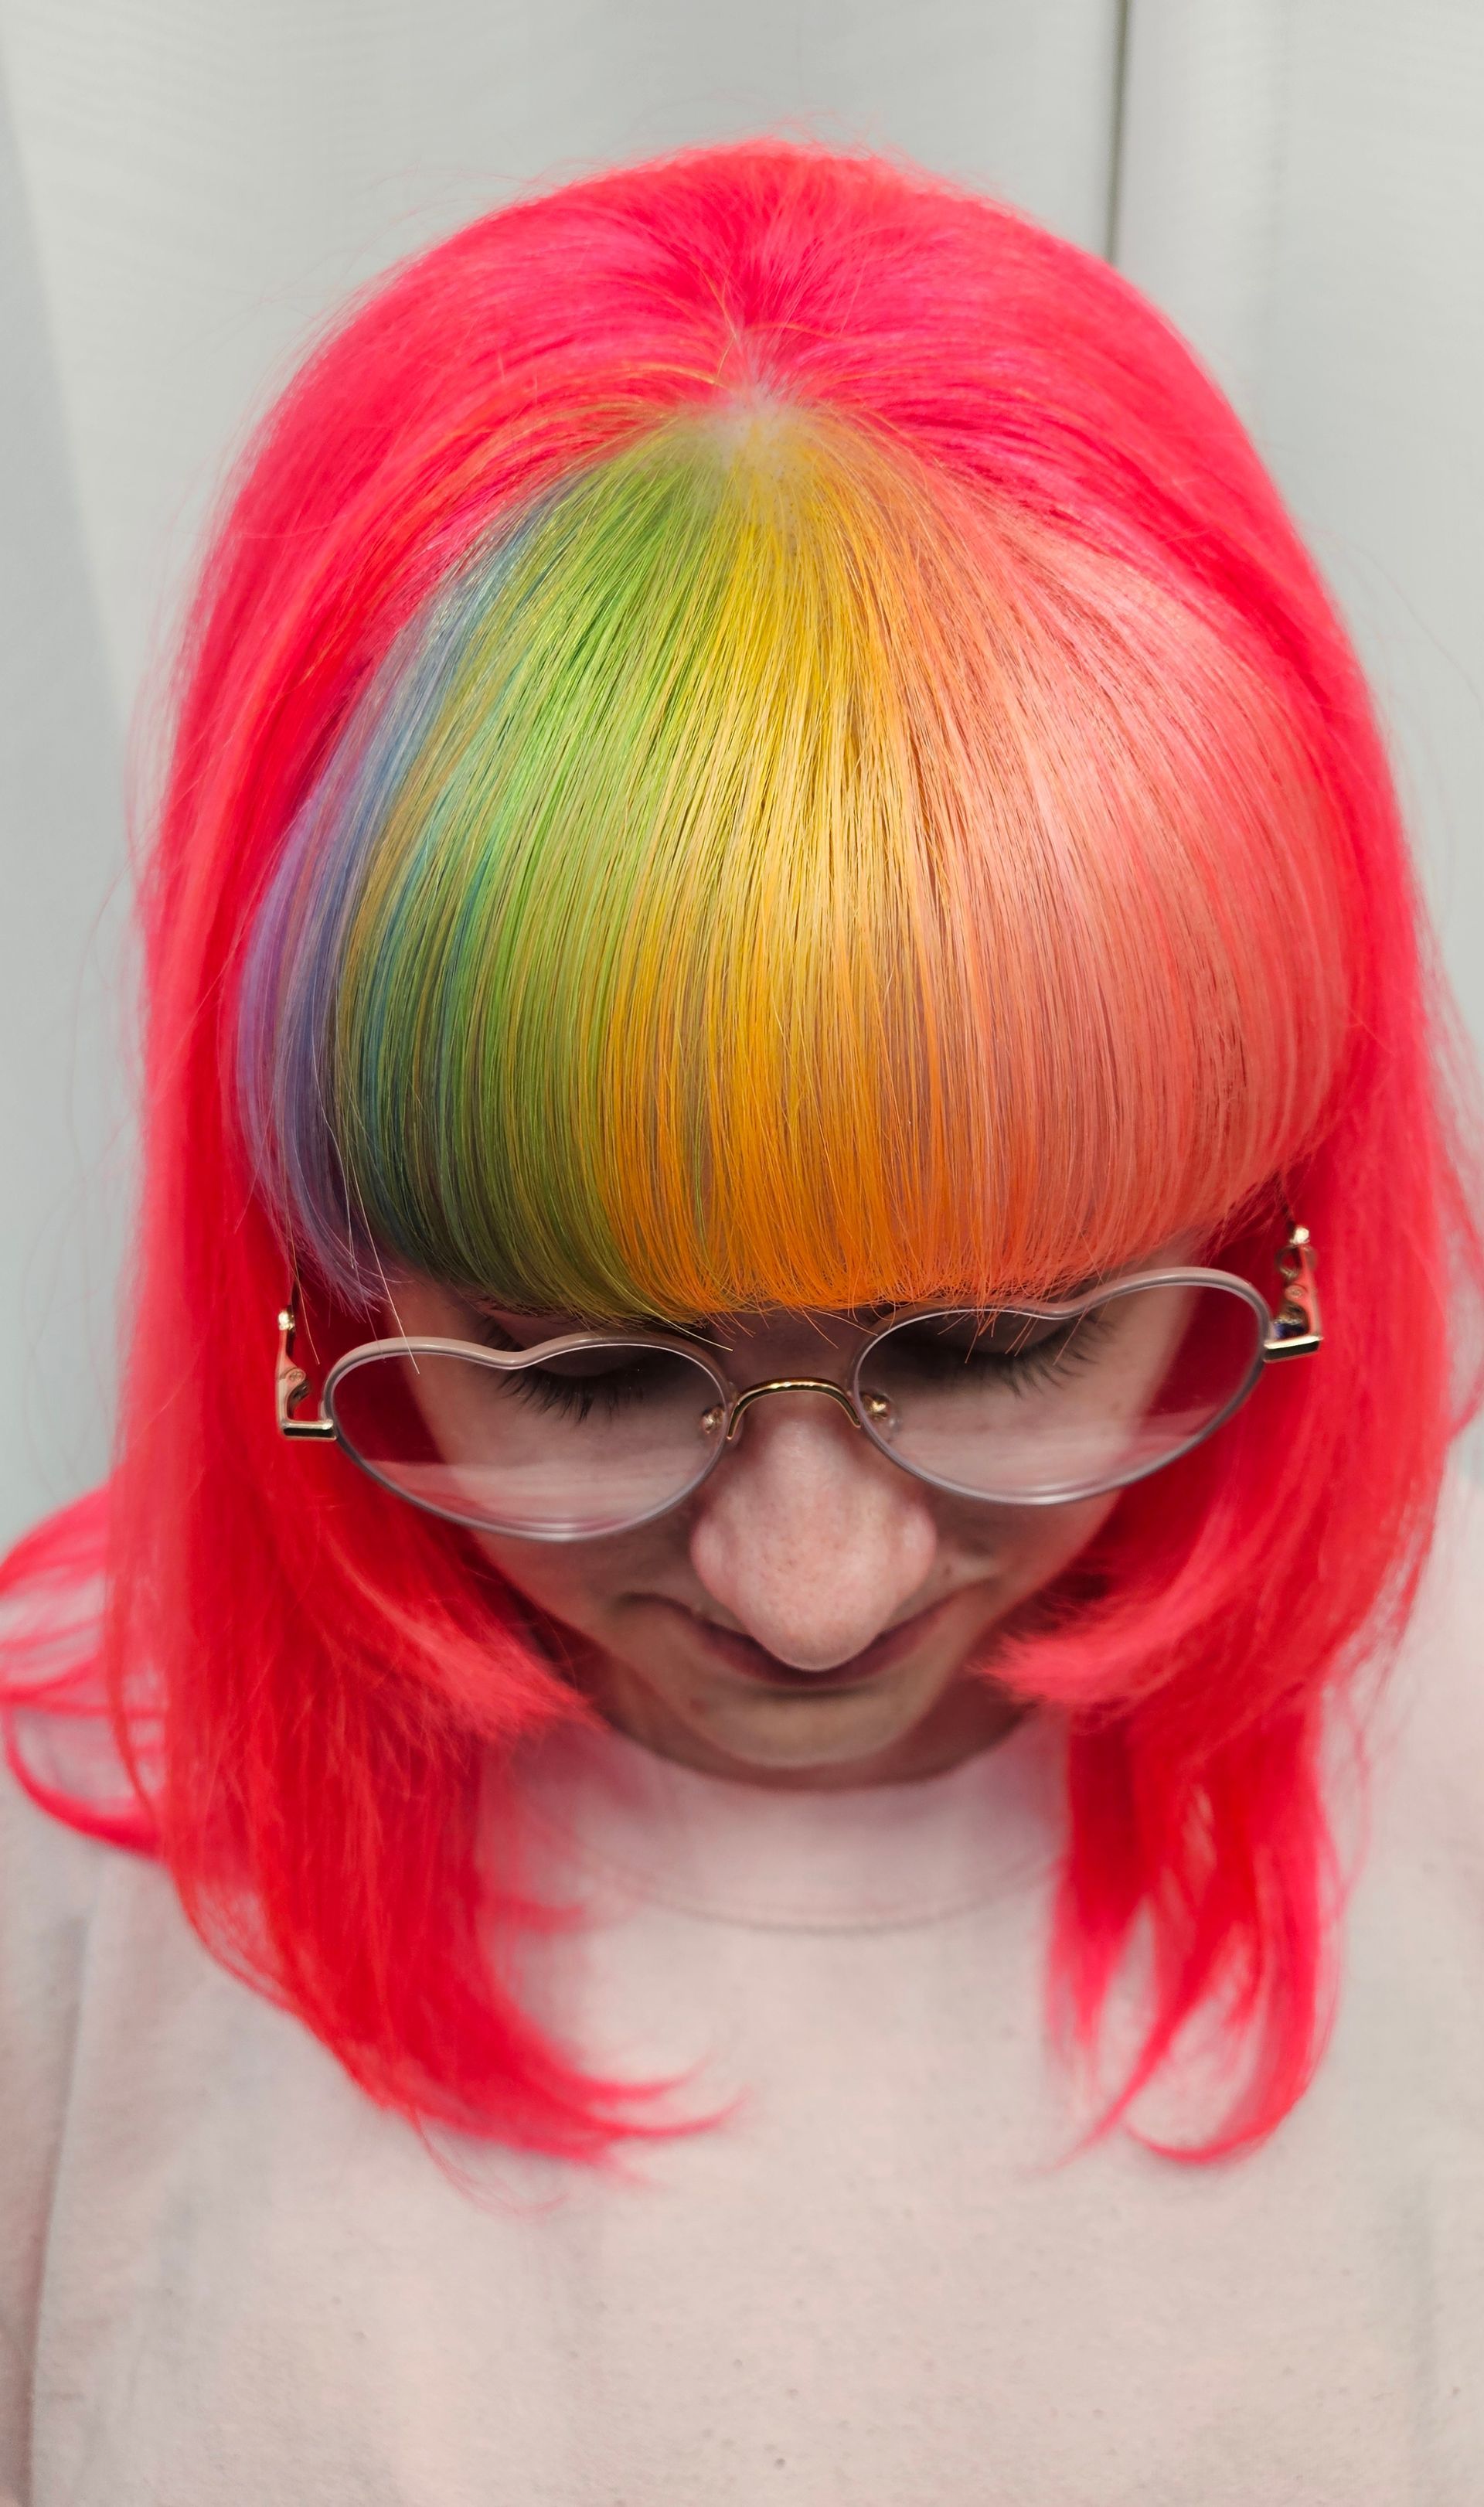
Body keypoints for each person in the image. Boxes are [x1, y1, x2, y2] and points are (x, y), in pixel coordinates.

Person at [2, 138, 1482, 2506]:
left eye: (1003, 1343)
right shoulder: (63, 1884)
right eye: (583, 1369)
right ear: (308, 1307)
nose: (816, 1587)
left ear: (1278, 1224)